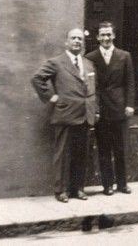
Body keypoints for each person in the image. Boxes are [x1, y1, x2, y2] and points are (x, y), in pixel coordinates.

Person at [31, 28, 98, 203]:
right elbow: (37, 78)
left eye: (80, 39)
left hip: (85, 115)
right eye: (73, 38)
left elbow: (92, 89)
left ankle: (78, 189)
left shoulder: (88, 64)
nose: (77, 41)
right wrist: (50, 97)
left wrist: (94, 108)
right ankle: (60, 190)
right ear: (66, 42)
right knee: (62, 154)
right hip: (65, 114)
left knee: (81, 153)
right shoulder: (56, 62)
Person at [86, 21, 135, 195]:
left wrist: (129, 105)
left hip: (119, 108)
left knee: (121, 148)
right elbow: (92, 86)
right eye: (102, 35)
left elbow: (129, 83)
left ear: (113, 36)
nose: (106, 38)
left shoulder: (124, 56)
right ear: (98, 37)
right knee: (104, 149)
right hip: (101, 110)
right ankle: (107, 185)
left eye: (109, 34)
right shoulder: (90, 58)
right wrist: (95, 109)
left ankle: (122, 184)